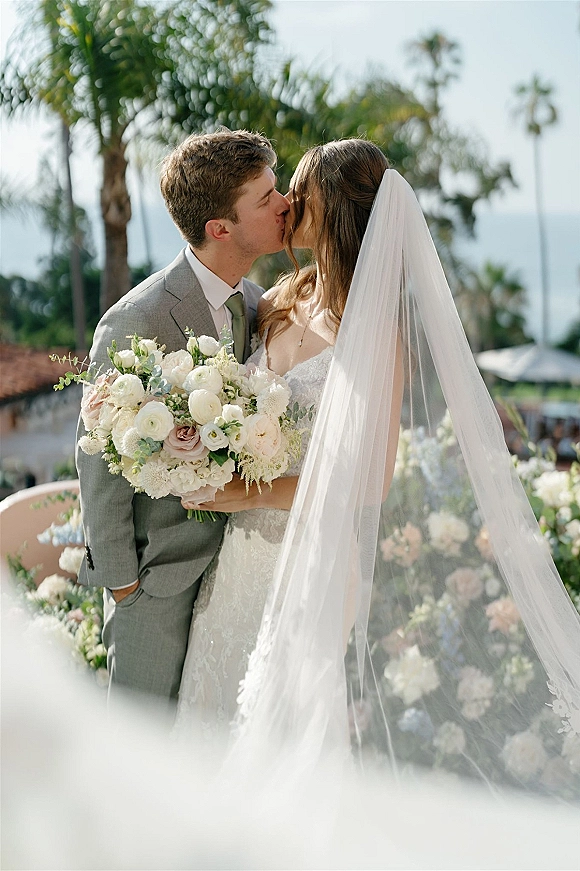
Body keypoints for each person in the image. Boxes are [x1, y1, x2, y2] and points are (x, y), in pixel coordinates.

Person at [176, 139, 580, 802]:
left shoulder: (374, 334)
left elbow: (366, 482)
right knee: (211, 710)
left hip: (311, 560)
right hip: (240, 553)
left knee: (282, 737)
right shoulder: (277, 299)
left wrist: (238, 491)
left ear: (329, 214)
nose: (286, 204)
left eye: (299, 193)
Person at [75, 129, 289, 709]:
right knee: (142, 754)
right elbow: (97, 460)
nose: (285, 203)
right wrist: (124, 584)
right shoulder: (134, 321)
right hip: (157, 581)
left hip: (237, 576)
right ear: (221, 228)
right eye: (266, 197)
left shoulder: (255, 304)